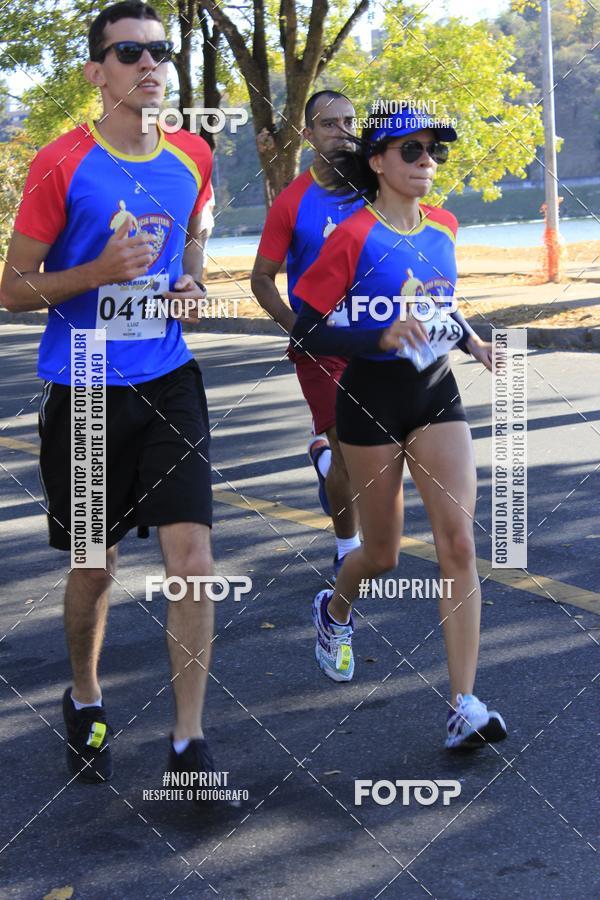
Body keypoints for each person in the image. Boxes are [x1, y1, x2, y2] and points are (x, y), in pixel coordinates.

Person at [0, 1, 220, 790]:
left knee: (192, 558)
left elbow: (194, 229)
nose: (150, 64)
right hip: (86, 381)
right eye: (130, 53)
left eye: (159, 51)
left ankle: (190, 740)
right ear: (97, 72)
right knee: (95, 566)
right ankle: (85, 694)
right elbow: (12, 290)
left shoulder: (193, 151)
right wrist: (99, 271)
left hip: (168, 379)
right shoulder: (60, 164)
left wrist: (191, 278)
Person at [291, 105, 508, 750]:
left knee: (459, 546)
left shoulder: (444, 224)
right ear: (378, 160)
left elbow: (440, 301)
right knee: (382, 553)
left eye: (434, 153)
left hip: (435, 392)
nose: (427, 163)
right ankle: (335, 611)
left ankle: (463, 702)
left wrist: (473, 344)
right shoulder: (352, 234)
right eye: (411, 151)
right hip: (370, 401)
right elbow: (304, 327)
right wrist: (375, 333)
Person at [251, 90, 364, 581]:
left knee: (376, 454)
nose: (342, 131)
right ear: (308, 134)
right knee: (348, 453)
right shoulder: (292, 201)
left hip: (378, 339)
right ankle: (347, 548)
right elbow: (261, 278)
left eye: (348, 121)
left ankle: (323, 464)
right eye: (329, 124)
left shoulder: (377, 187)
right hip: (322, 346)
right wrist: (300, 327)